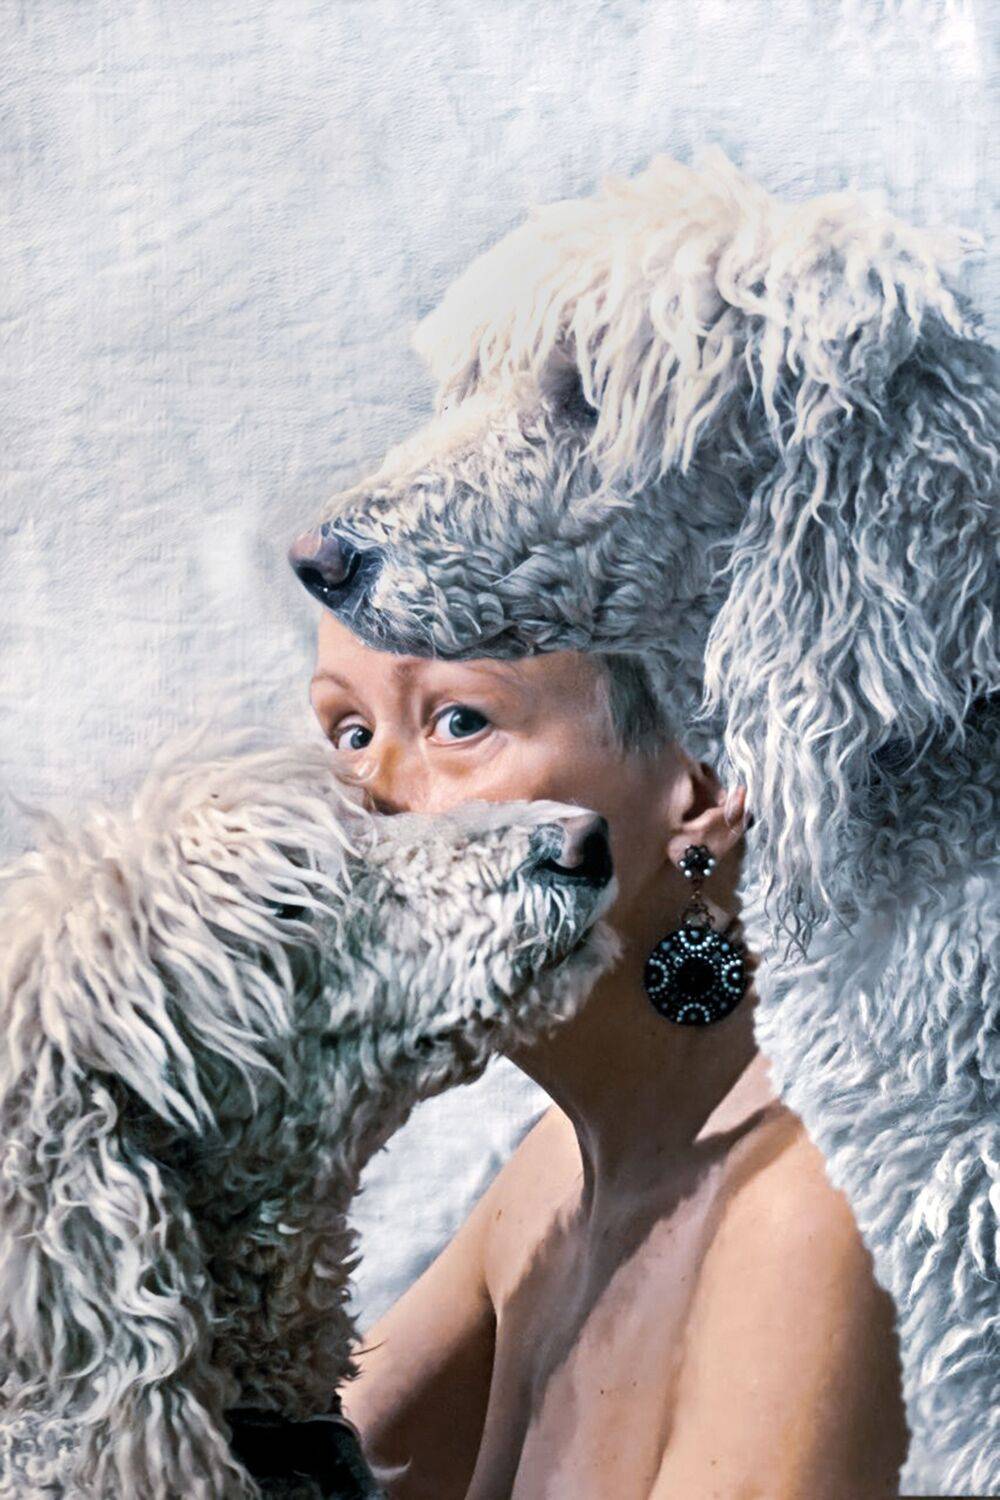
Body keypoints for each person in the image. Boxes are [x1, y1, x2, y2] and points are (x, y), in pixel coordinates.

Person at [308, 609, 909, 1500]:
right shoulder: (559, 1170)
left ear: (707, 783)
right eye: (351, 733)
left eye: (458, 721)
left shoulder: (816, 1209)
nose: (362, 802)